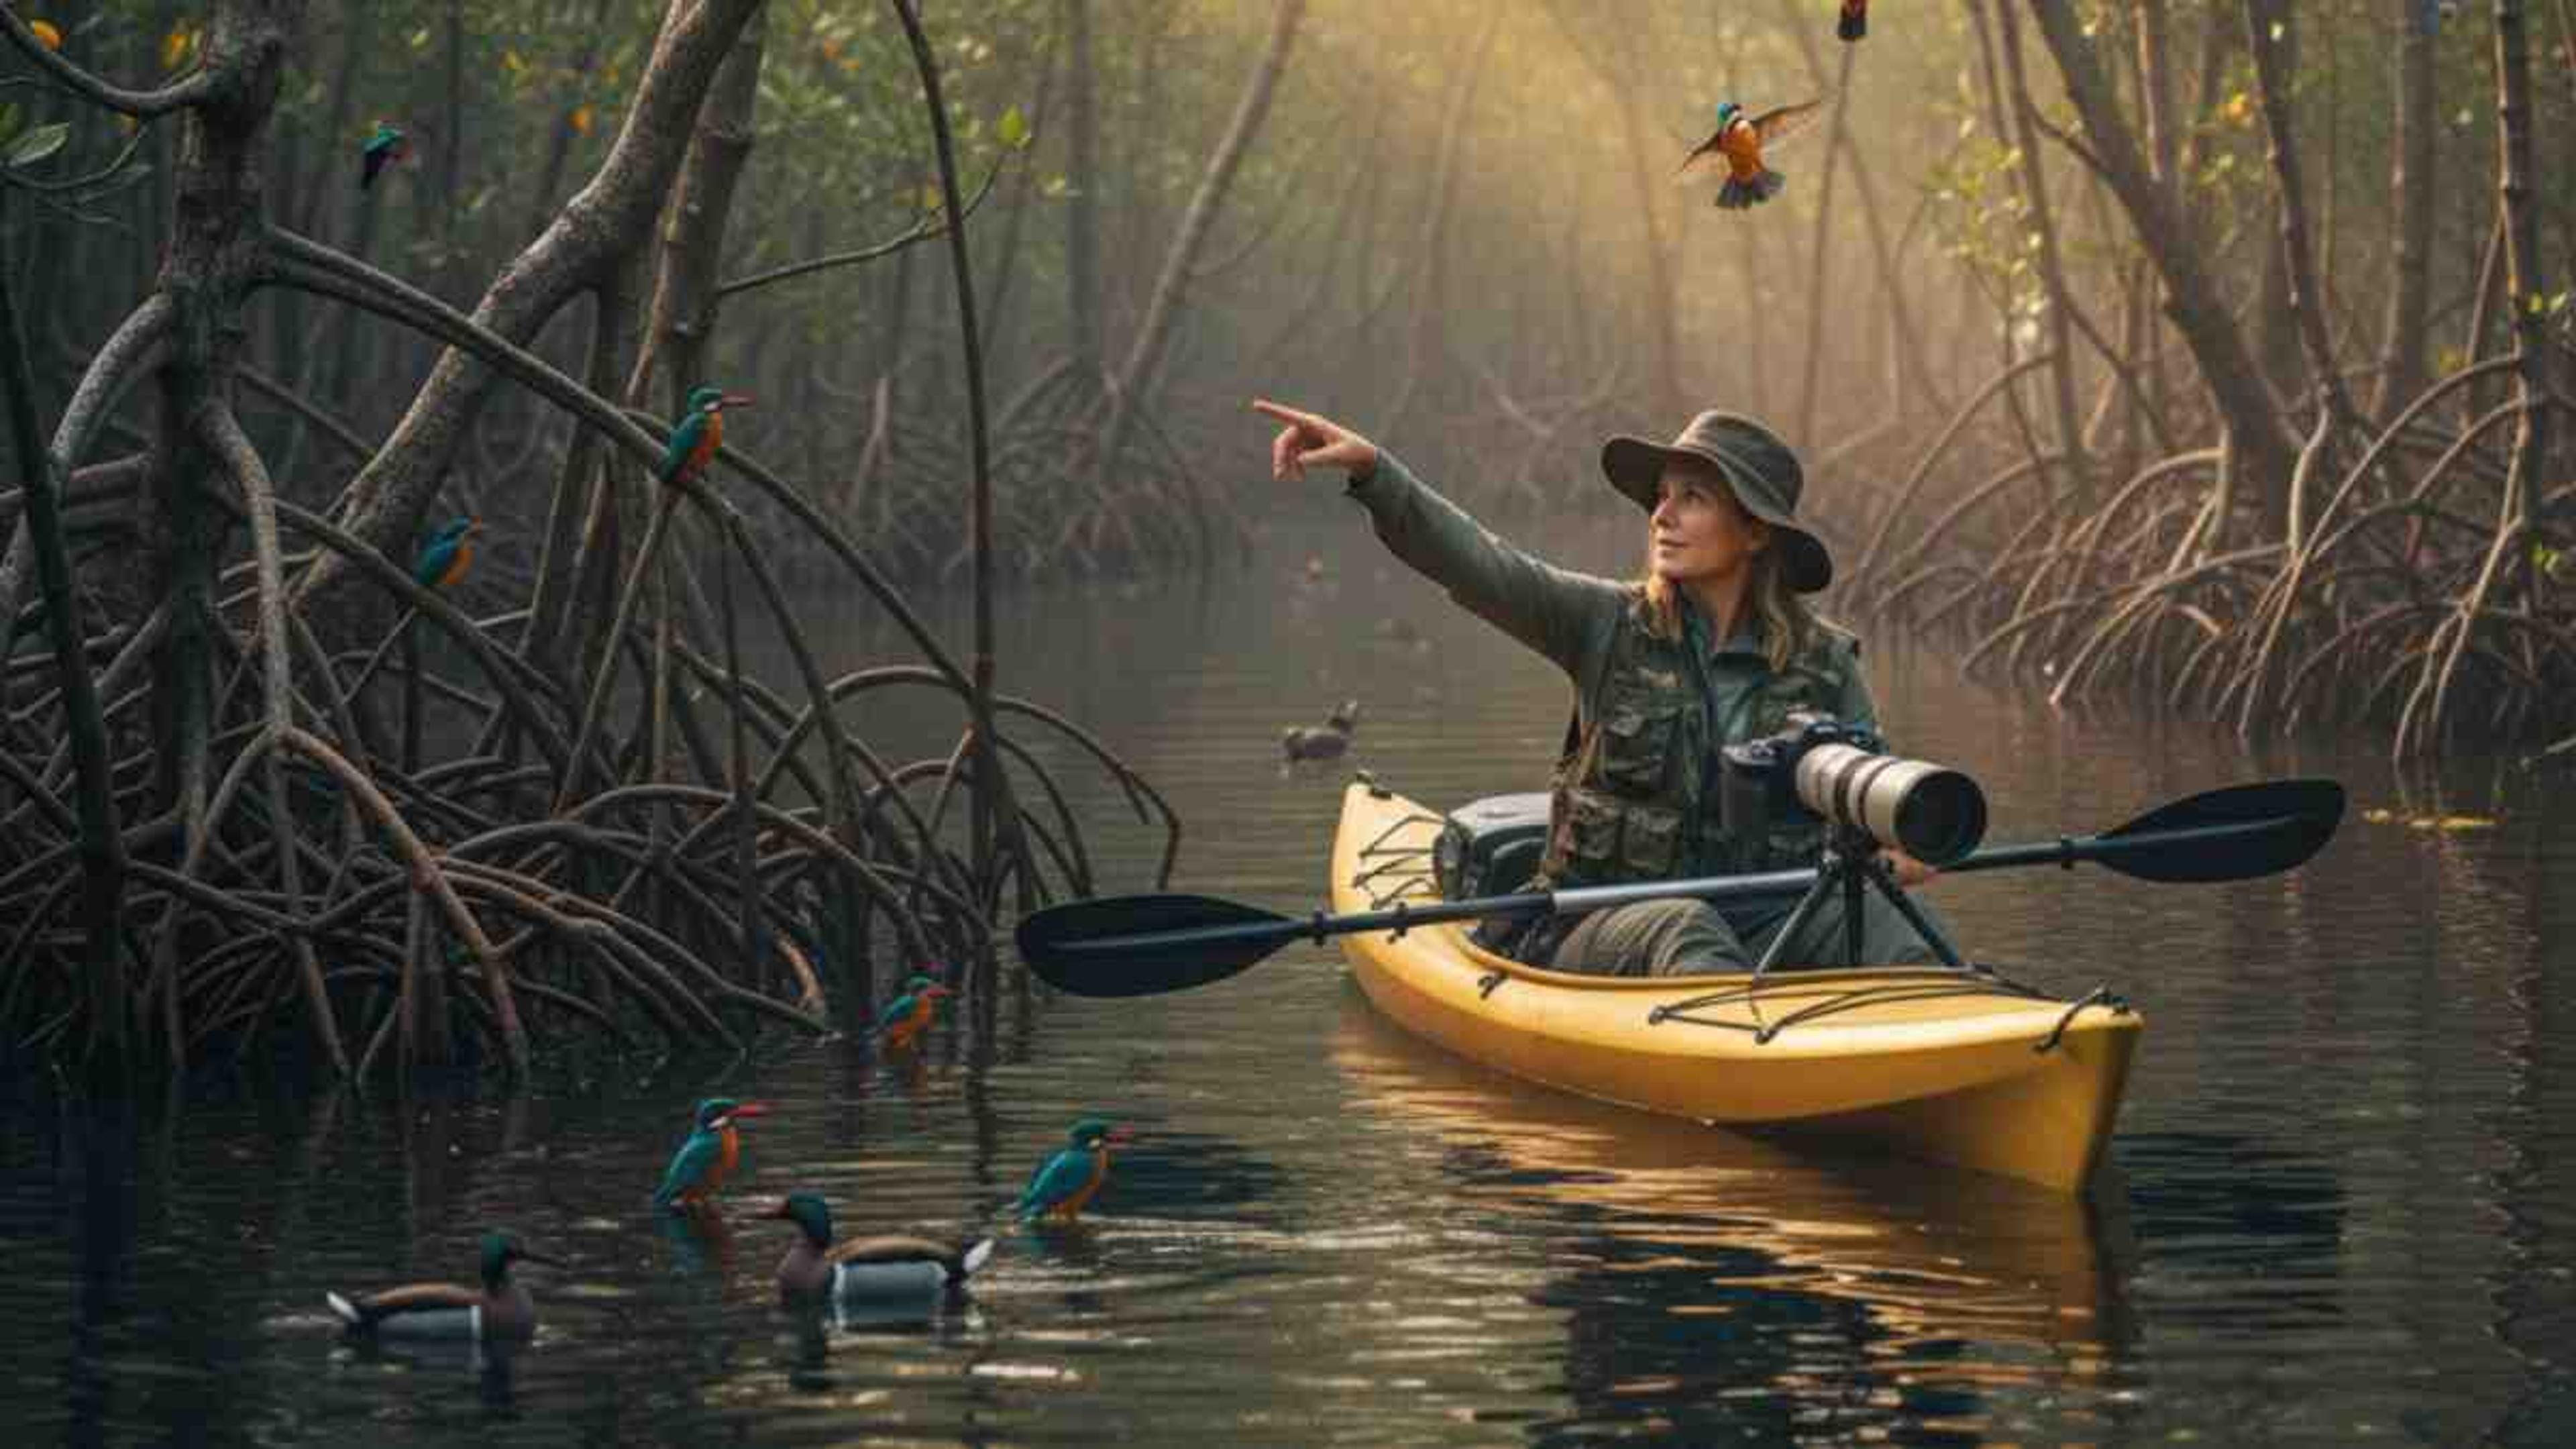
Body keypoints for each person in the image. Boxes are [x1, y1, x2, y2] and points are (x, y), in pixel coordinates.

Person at [1251, 398, 1948, 976]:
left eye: (1693, 499)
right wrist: (1376, 473)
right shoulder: (1603, 624)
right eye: (1662, 498)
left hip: (1769, 917)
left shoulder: (1826, 661)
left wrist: (1906, 845)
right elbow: (1478, 564)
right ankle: (1745, 1069)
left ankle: (1971, 1052)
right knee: (1685, 925)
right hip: (1594, 924)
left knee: (1889, 923)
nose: (1662, 516)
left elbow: (1877, 807)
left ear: (1756, 533)